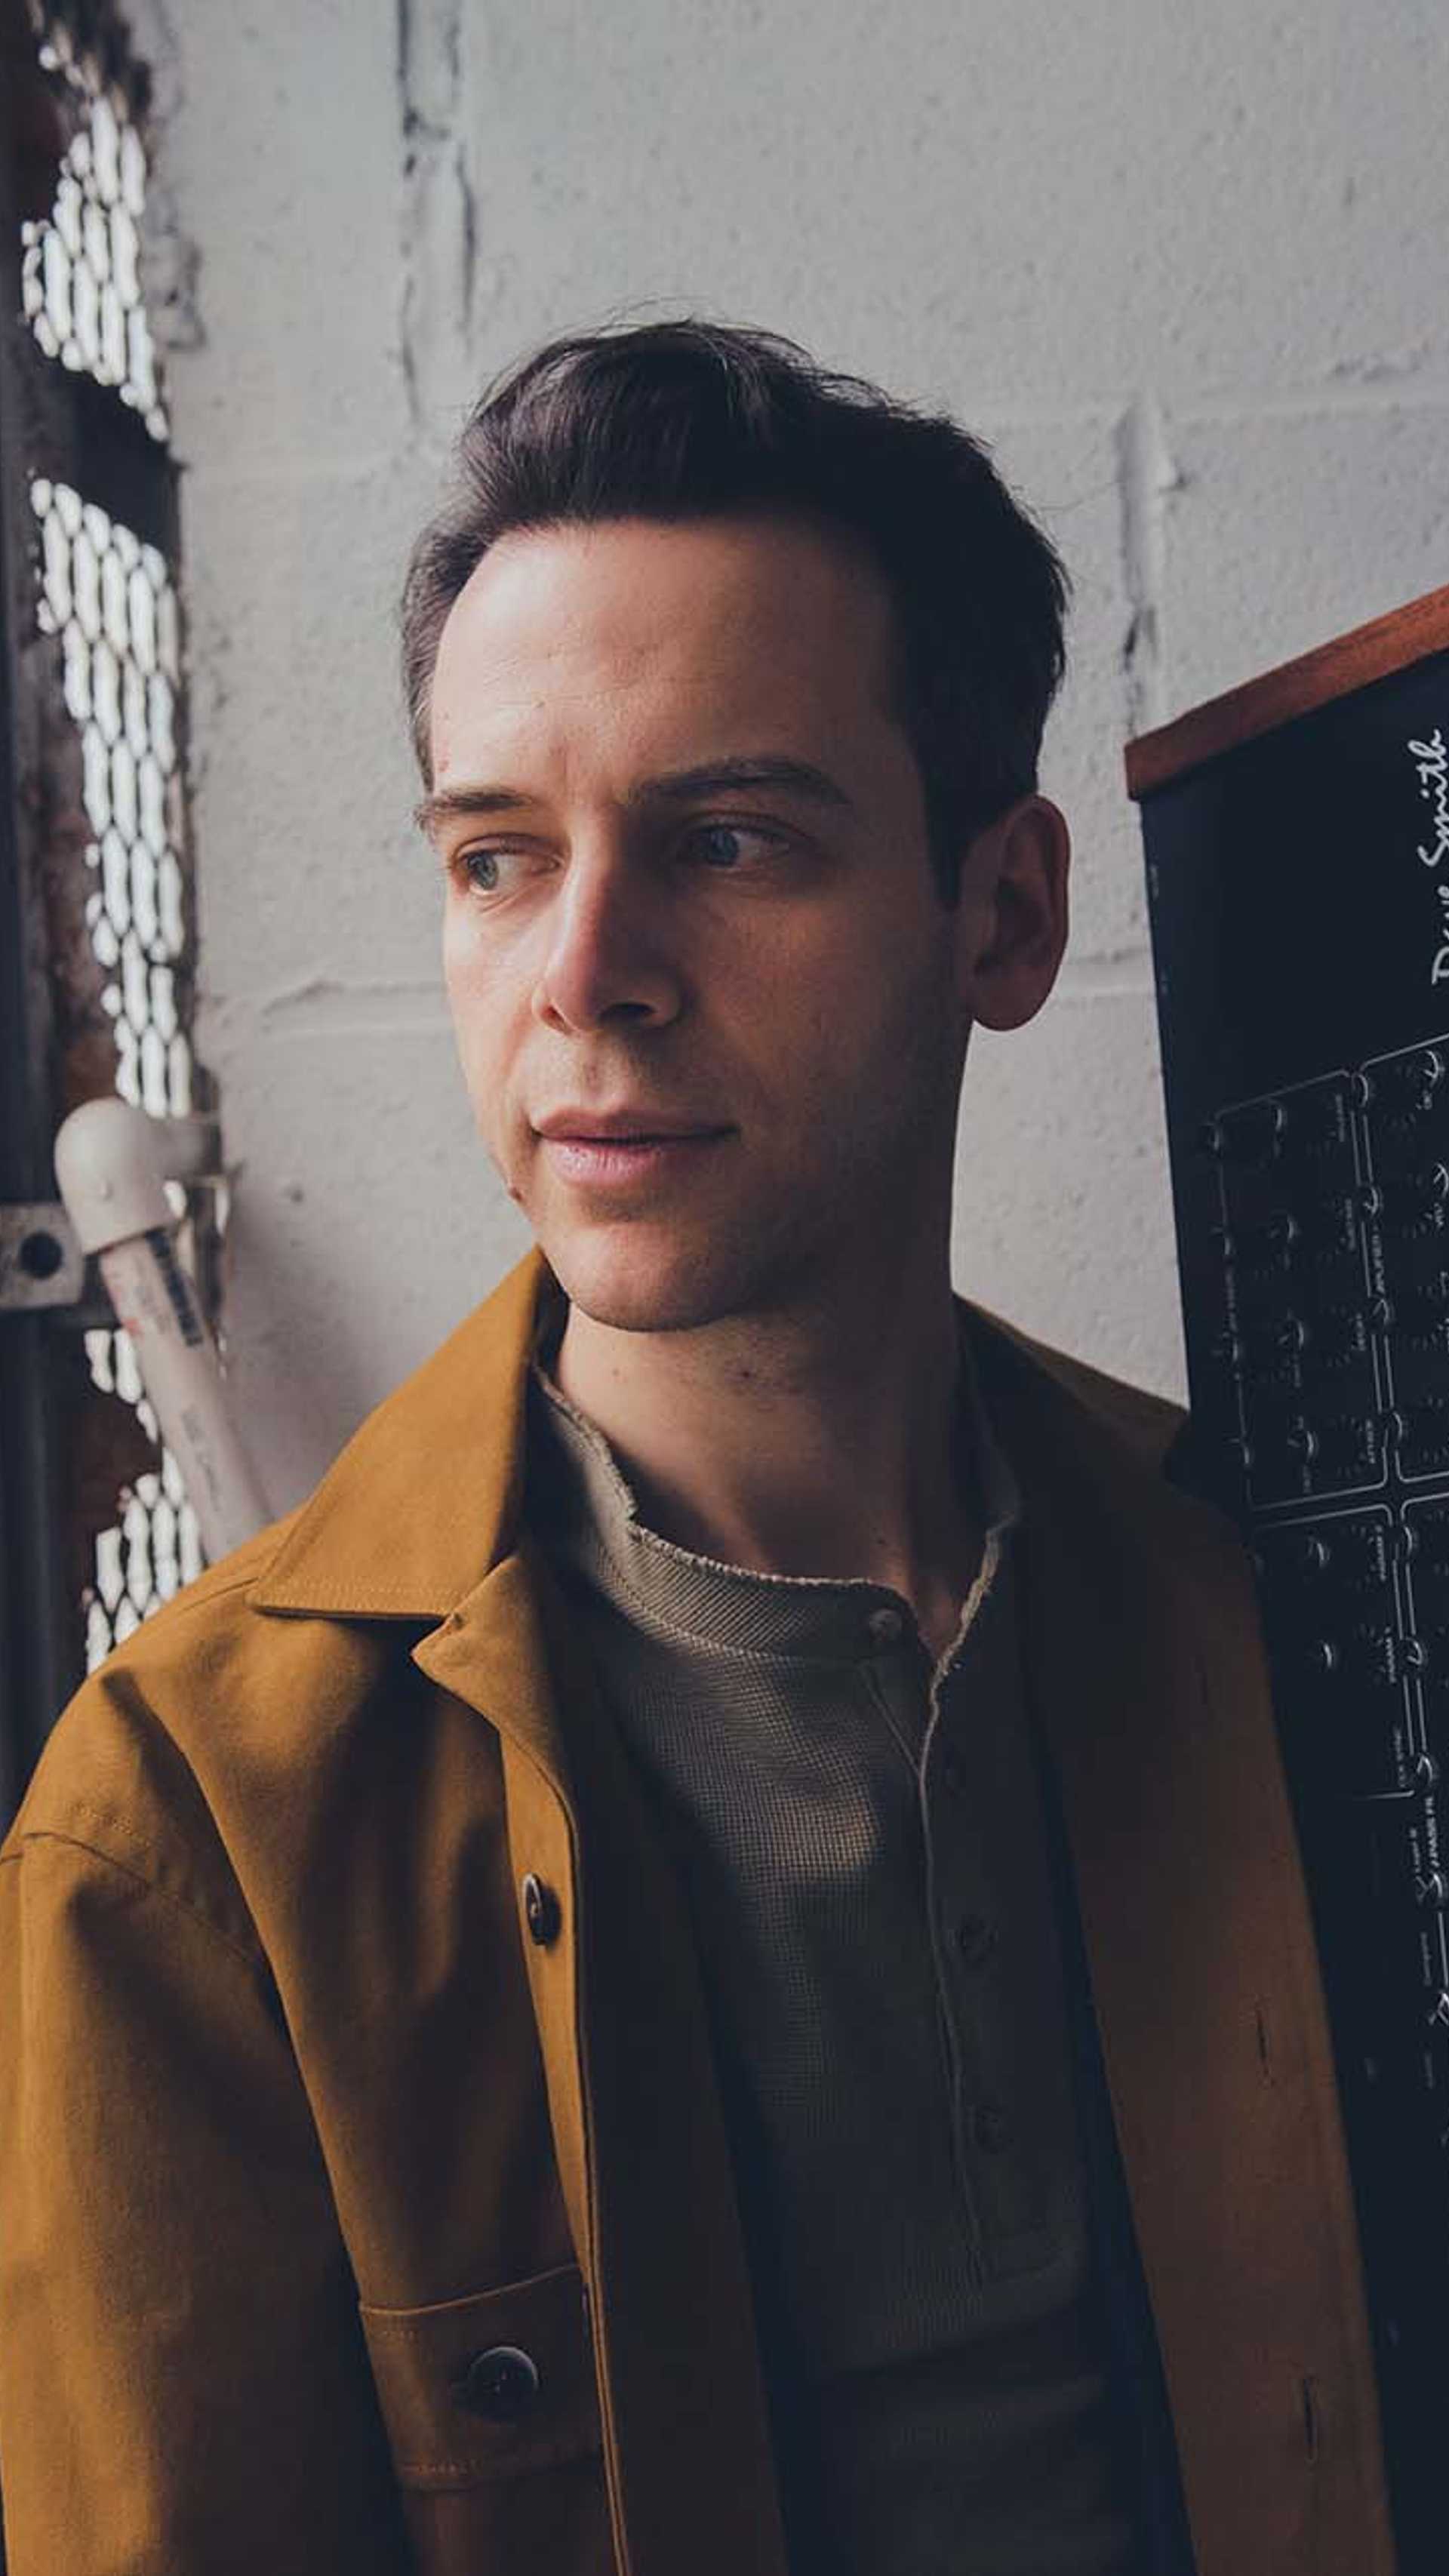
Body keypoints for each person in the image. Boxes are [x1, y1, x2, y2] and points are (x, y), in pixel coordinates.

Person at [0, 320, 1394, 2576]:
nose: (586, 970)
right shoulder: (194, 1832)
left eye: (727, 838)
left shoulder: (1278, 1590)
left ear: (1004, 913)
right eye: (494, 859)